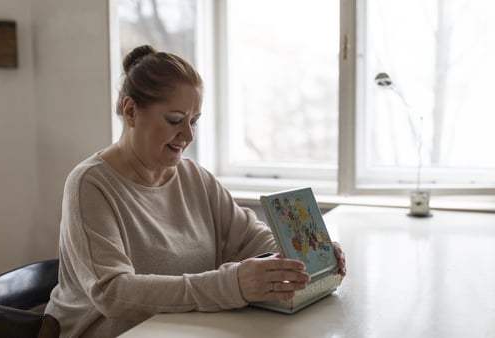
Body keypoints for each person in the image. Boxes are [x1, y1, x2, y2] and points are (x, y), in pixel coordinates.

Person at [44, 45, 346, 337]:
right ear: (131, 111)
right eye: (175, 120)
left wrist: (302, 257)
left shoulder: (194, 177)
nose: (188, 134)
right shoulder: (90, 185)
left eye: (194, 121)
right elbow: (112, 293)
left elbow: (250, 237)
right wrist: (232, 285)